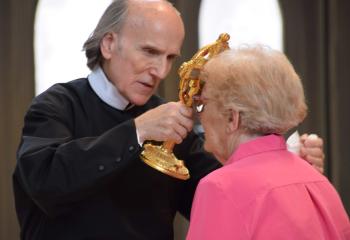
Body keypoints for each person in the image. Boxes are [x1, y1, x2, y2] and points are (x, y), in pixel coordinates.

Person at [13, 0, 324, 239]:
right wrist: (137, 131)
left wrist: (283, 161)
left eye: (170, 57)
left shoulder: (173, 121)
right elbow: (44, 183)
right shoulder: (54, 106)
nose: (161, 71)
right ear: (108, 44)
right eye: (149, 52)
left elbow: (216, 190)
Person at [186, 46, 350, 239]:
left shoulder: (220, 186)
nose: (199, 114)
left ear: (232, 118)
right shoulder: (318, 181)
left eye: (202, 104)